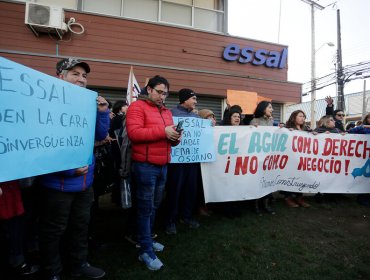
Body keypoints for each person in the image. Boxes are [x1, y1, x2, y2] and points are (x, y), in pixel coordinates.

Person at [38, 58, 110, 280]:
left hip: (84, 183)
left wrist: (103, 112)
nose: (81, 79)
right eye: (75, 74)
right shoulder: (44, 103)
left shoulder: (88, 104)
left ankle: (79, 265)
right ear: (60, 76)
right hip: (57, 184)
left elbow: (98, 136)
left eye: (84, 76)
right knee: (54, 230)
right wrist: (69, 171)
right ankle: (53, 271)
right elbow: (41, 146)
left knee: (80, 227)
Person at [126, 75, 181, 271]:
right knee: (145, 208)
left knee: (154, 206)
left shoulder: (165, 111)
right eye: (159, 92)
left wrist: (175, 138)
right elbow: (135, 134)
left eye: (165, 93)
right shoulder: (137, 107)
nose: (162, 96)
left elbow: (169, 137)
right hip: (145, 166)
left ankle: (146, 240)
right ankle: (145, 251)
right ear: (148, 89)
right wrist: (164, 132)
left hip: (162, 165)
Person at [165, 88, 201, 235]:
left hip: (192, 162)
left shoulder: (196, 117)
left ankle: (186, 216)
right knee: (175, 190)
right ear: (185, 99)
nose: (196, 101)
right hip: (177, 162)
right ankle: (170, 220)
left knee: (190, 190)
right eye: (194, 98)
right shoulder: (171, 114)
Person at [0, 180, 39, 278]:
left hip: (11, 187)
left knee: (16, 223)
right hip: (5, 191)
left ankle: (18, 261)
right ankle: (17, 263)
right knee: (11, 226)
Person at [250, 101, 275, 215]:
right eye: (270, 107)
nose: (272, 109)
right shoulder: (254, 121)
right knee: (257, 181)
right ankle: (255, 206)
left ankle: (266, 204)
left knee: (267, 181)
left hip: (268, 157)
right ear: (263, 108)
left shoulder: (271, 121)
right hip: (258, 157)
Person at [282, 110, 311, 208]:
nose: (302, 118)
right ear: (294, 118)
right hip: (291, 159)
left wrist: (315, 134)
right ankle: (288, 197)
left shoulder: (306, 129)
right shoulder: (288, 129)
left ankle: (299, 197)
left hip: (302, 160)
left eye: (304, 116)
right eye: (300, 116)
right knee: (290, 177)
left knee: (301, 177)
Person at [348, 113, 370, 206]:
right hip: (364, 157)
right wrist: (363, 126)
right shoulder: (363, 128)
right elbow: (350, 132)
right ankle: (363, 198)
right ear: (367, 119)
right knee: (365, 177)